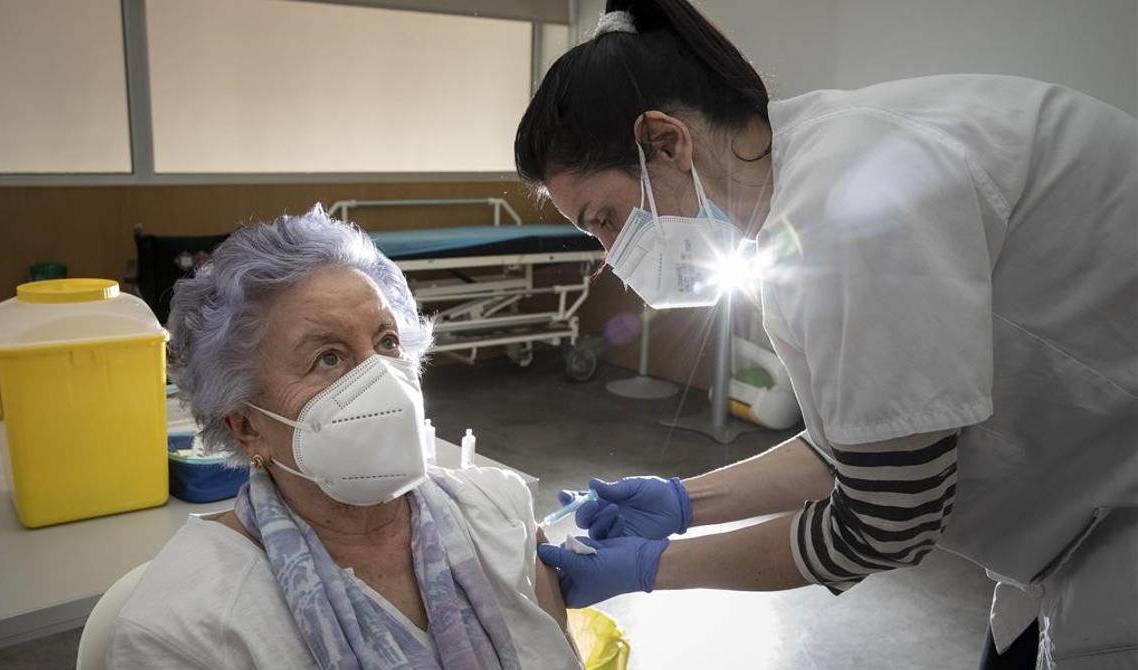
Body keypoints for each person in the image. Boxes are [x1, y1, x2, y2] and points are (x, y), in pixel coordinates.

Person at [514, 1, 1137, 668]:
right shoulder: (807, 168)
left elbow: (886, 522)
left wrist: (652, 566)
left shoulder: (847, 210)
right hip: (1082, 512)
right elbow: (867, 440)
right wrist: (681, 502)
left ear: (666, 142)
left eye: (606, 218)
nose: (612, 253)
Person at [107, 206, 581, 669]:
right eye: (328, 358)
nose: (382, 379)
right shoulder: (189, 627)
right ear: (247, 426)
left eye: (387, 342)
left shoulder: (501, 514)